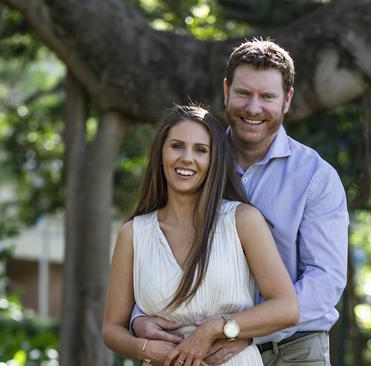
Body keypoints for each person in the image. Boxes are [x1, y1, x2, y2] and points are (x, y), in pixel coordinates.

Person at [133, 40, 350, 365]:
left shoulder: (316, 177)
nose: (253, 107)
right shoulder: (195, 162)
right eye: (244, 93)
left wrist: (244, 330)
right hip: (204, 350)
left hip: (292, 350)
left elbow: (325, 280)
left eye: (267, 97)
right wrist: (139, 317)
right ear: (226, 91)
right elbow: (162, 243)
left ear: (287, 100)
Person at [102, 104, 298, 366]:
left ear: (214, 160)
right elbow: (112, 330)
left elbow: (286, 308)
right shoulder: (133, 234)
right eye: (177, 146)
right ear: (161, 152)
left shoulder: (243, 221)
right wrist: (148, 349)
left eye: (201, 150)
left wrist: (215, 328)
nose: (187, 158)